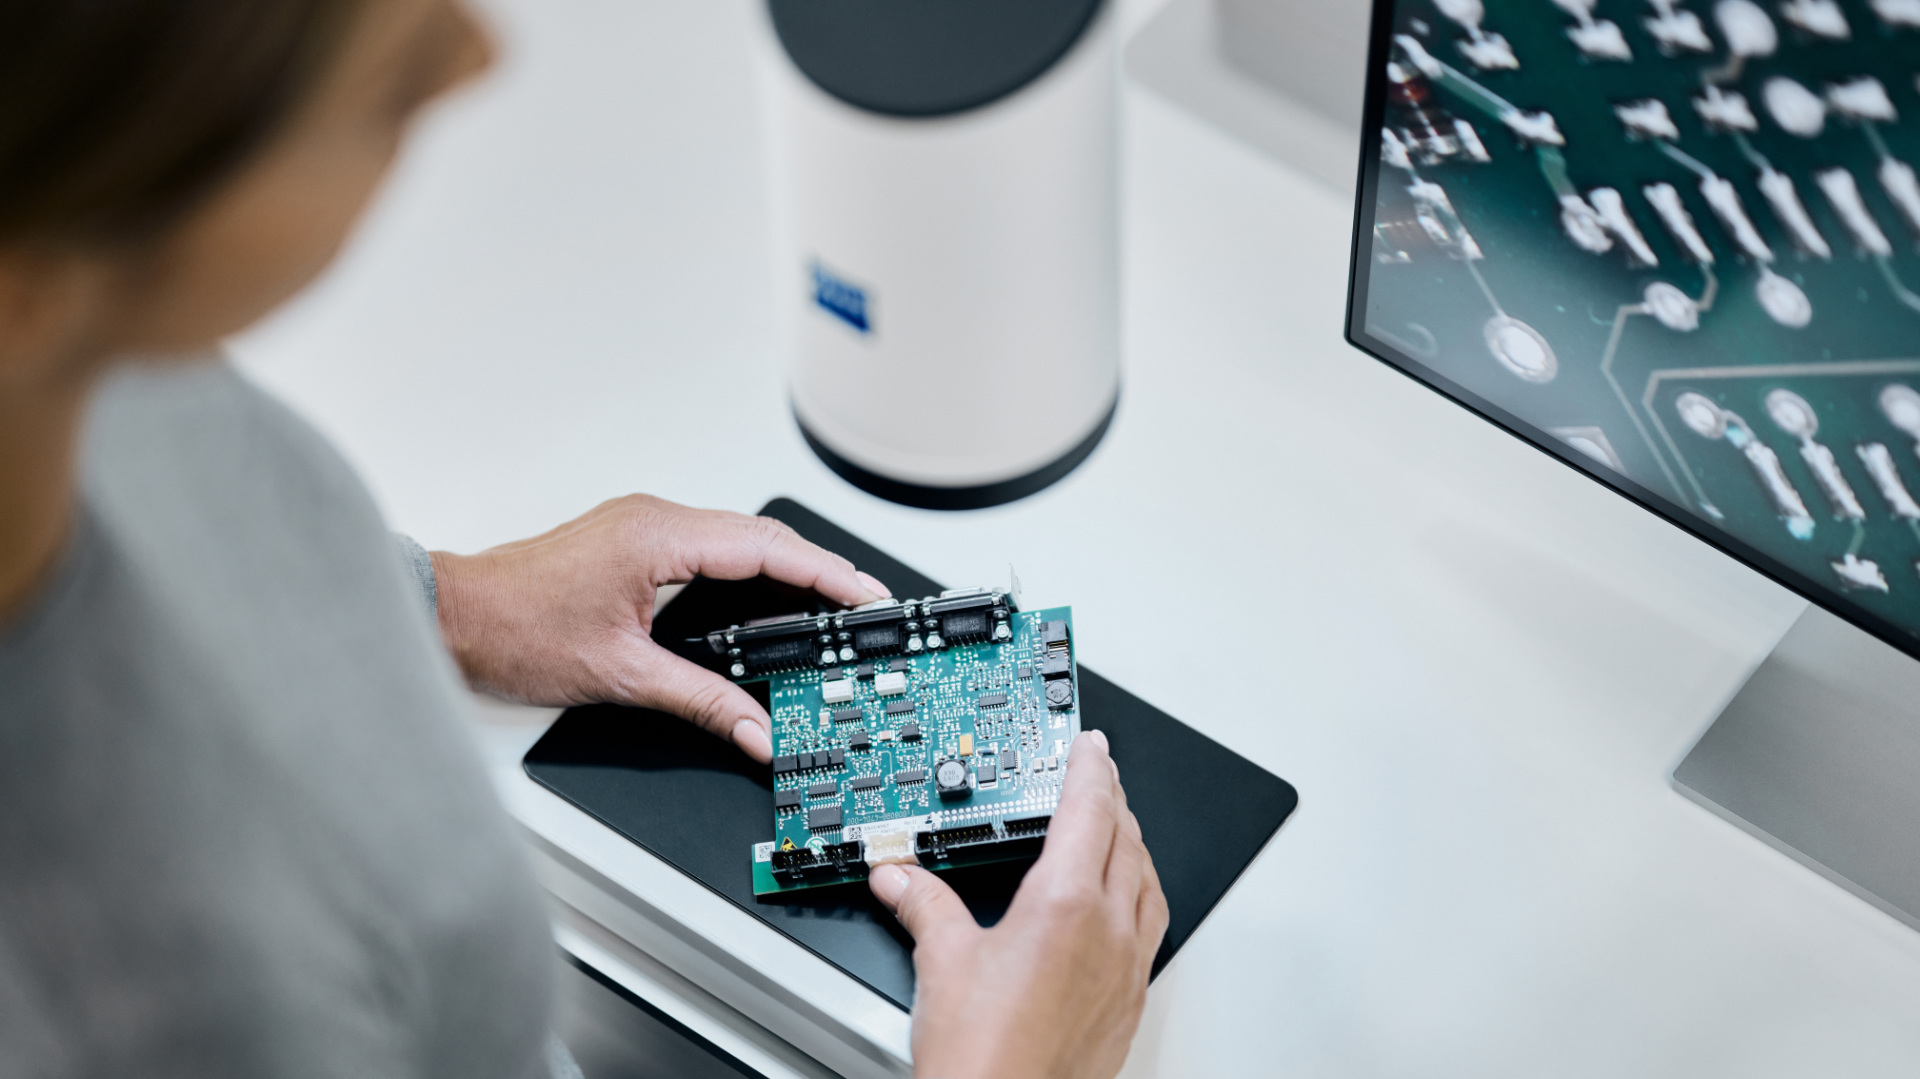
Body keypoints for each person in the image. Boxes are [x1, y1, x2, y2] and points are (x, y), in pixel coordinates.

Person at [0, 1, 1169, 1077]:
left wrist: (434, 598)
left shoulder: (83, 356)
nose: (476, 56)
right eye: (385, 82)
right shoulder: (139, 1006)